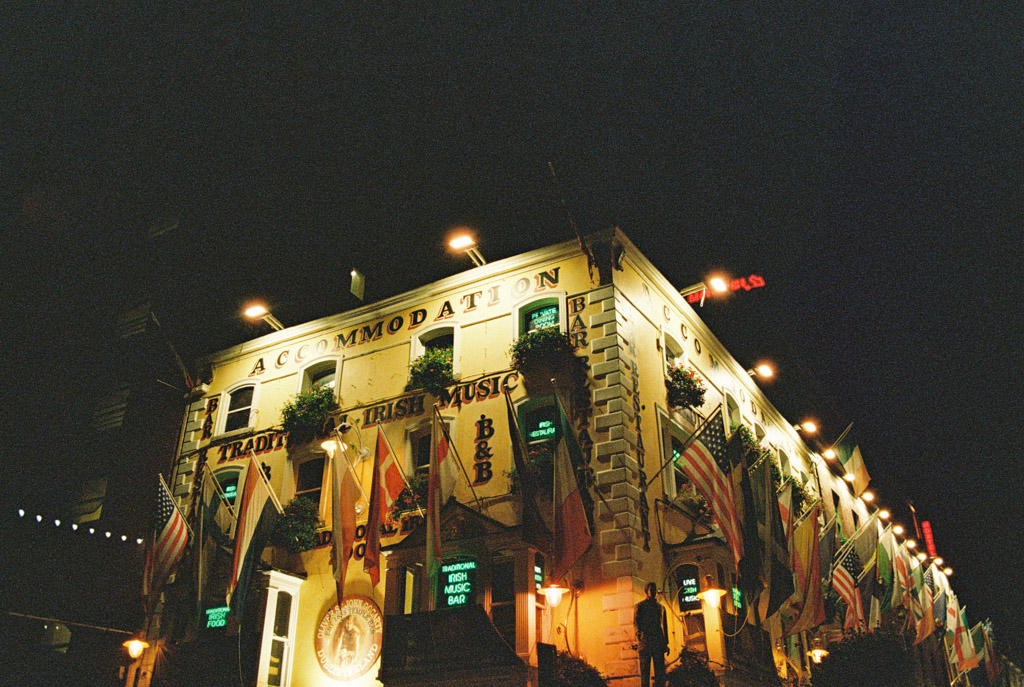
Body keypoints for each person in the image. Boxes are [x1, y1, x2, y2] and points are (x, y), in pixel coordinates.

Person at [634, 582, 669, 687]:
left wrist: (666, 643)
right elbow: (636, 622)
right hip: (645, 642)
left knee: (660, 675)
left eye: (654, 590)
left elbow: (664, 627)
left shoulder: (661, 608)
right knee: (645, 675)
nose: (653, 592)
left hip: (658, 643)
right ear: (646, 591)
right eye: (651, 590)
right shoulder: (640, 606)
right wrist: (638, 633)